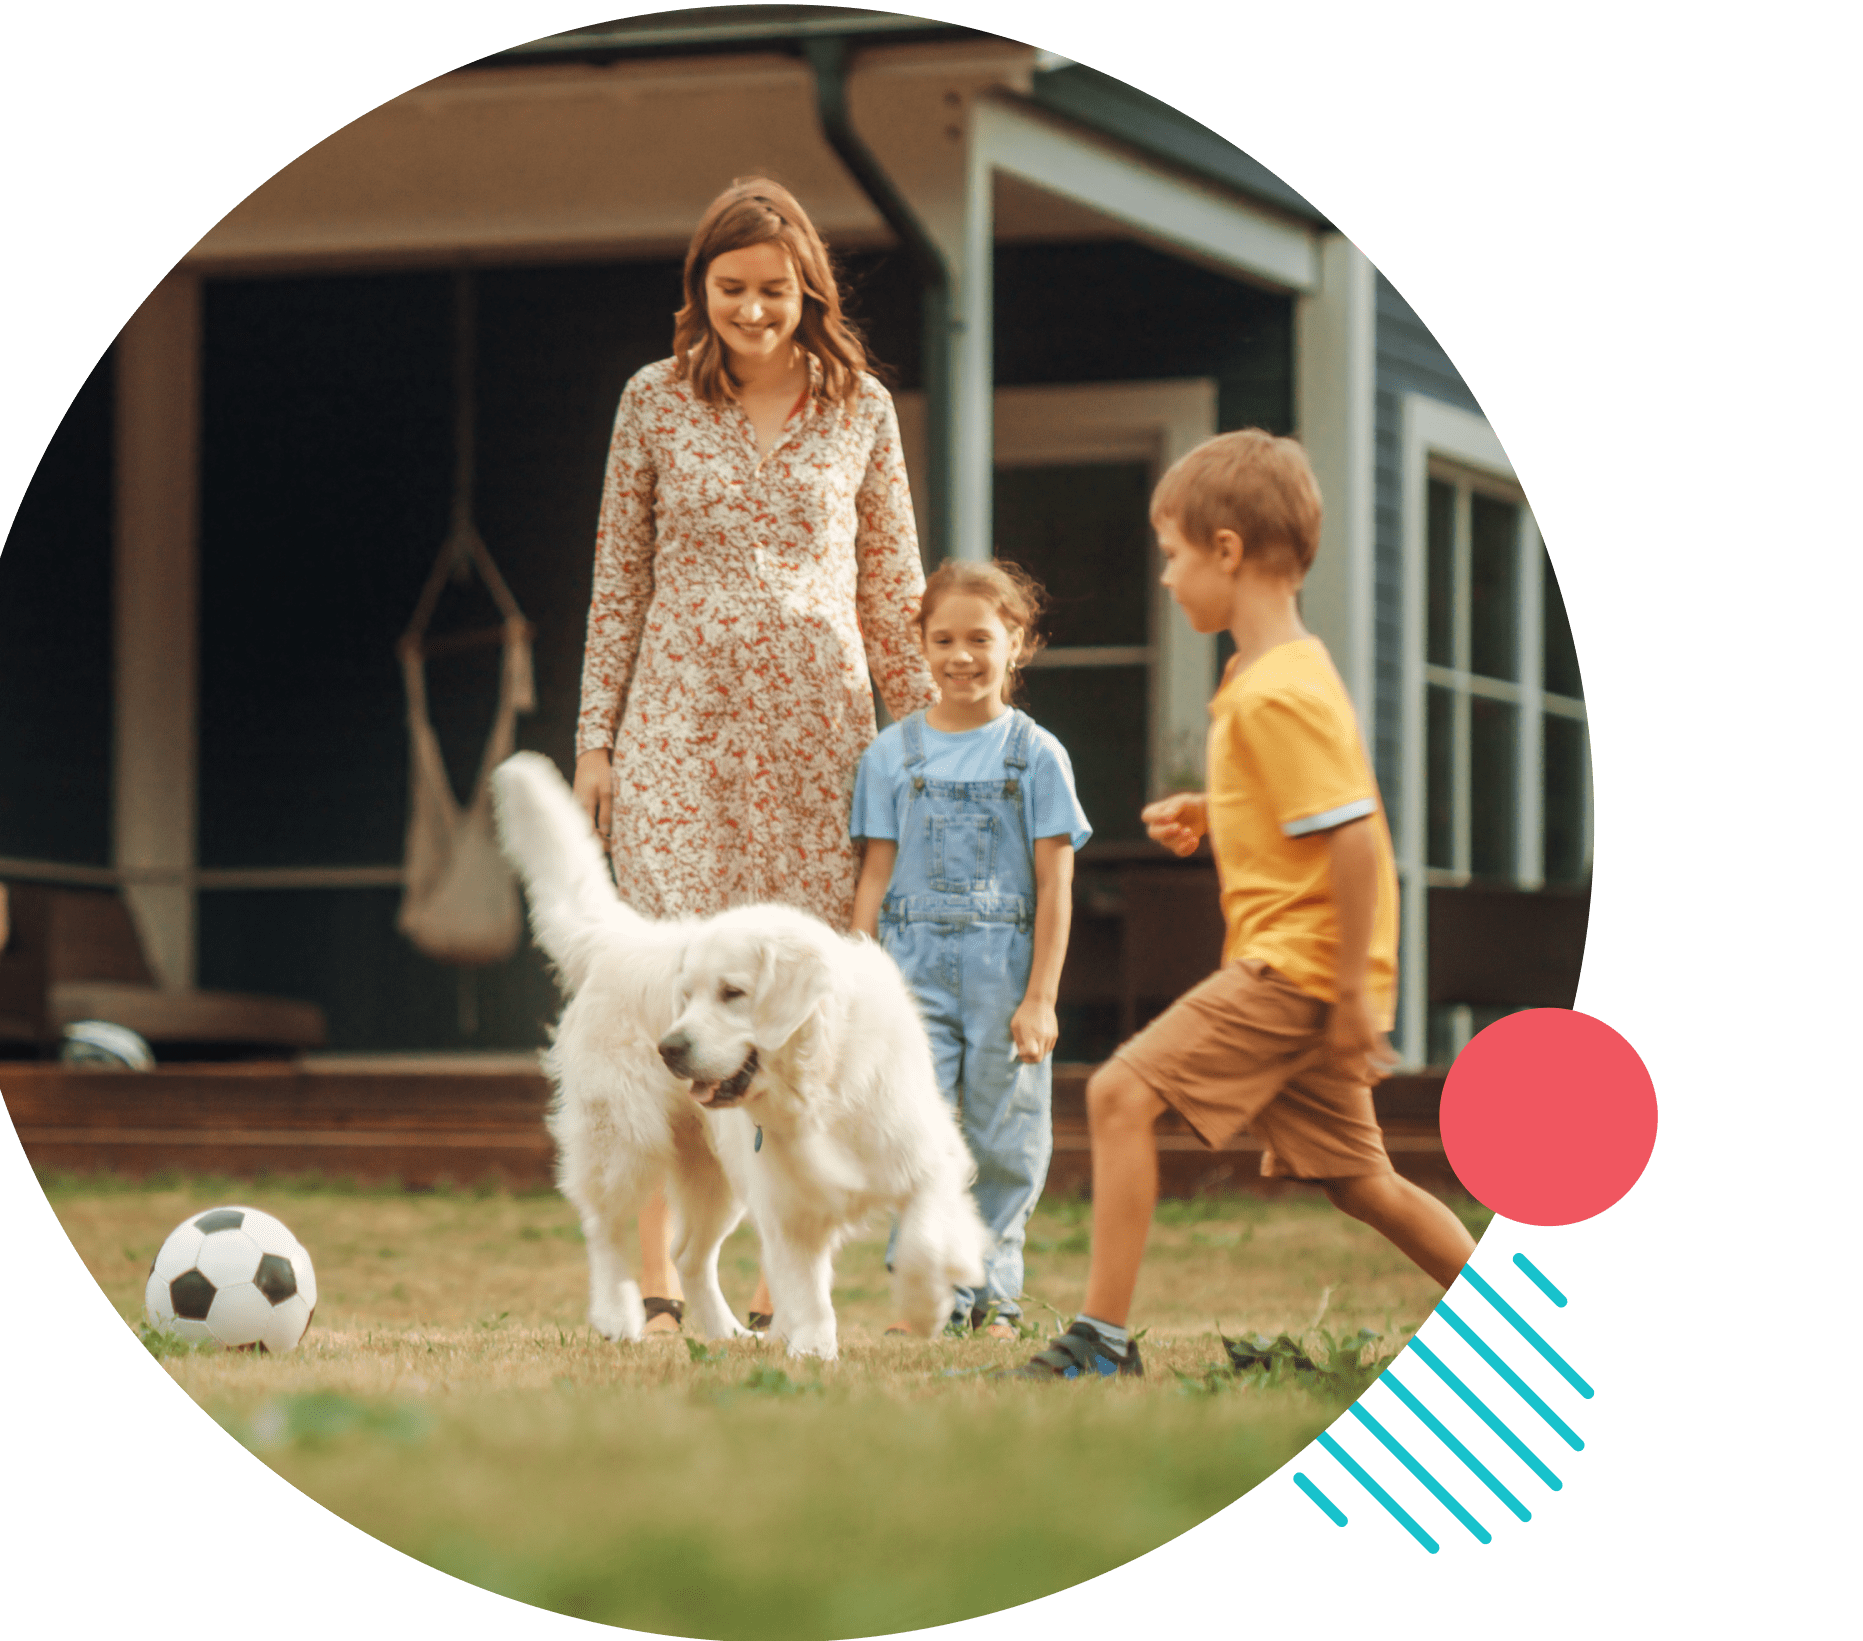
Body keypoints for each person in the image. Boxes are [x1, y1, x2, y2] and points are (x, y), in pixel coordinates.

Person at [1014, 429, 1476, 1380]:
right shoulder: (1262, 676)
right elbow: (1305, 810)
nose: (1166, 577)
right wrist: (1215, 808)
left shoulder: (1278, 691)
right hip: (1308, 967)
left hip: (1297, 968)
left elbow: (1357, 840)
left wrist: (1354, 995)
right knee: (1362, 1181)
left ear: (1226, 550)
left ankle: (1099, 1341)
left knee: (1117, 1093)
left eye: (1173, 554)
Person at [573, 177, 937, 1336]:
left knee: (789, 1011)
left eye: (774, 290)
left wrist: (922, 747)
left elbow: (892, 587)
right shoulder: (653, 400)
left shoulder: (861, 409)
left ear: (807, 291)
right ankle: (659, 1284)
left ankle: (787, 1283)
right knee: (660, 991)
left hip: (818, 745)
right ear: (701, 291)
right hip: (677, 732)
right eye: (730, 289)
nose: (753, 310)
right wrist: (594, 740)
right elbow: (617, 577)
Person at [850, 560, 1086, 1339]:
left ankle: (994, 1300)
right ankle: (927, 1294)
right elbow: (875, 874)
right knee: (914, 1130)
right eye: (943, 639)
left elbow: (1054, 885)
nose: (961, 656)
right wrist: (860, 982)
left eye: (980, 638)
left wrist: (1041, 997)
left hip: (1004, 975)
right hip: (909, 972)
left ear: (1016, 641)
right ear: (920, 644)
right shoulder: (890, 754)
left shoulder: (1037, 755)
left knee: (1003, 1136)